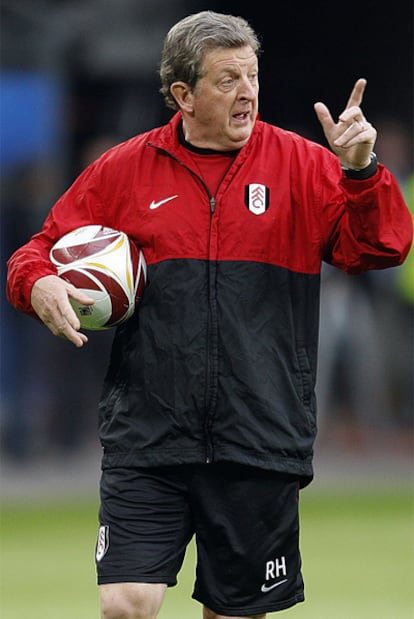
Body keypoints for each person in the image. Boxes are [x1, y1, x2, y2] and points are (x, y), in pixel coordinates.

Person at [6, 10, 413, 619]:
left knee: (234, 613)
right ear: (182, 94)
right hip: (148, 437)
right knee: (125, 604)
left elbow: (381, 247)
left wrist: (361, 171)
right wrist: (36, 282)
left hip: (259, 435)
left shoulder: (304, 165)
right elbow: (38, 249)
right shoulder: (125, 169)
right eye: (227, 80)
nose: (246, 91)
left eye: (251, 76)